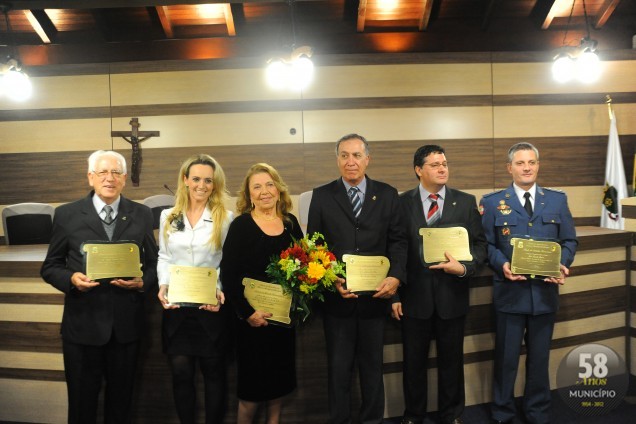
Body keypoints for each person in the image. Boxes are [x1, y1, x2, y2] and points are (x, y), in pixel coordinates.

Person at [40, 150, 158, 424]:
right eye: (102, 172)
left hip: (125, 328)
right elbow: (51, 266)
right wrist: (71, 280)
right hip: (82, 328)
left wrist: (143, 283)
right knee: (81, 406)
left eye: (116, 172)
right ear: (90, 177)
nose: (109, 178)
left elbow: (153, 264)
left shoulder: (141, 214)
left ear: (125, 178)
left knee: (121, 405)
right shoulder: (66, 214)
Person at [306, 133, 407, 424]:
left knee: (373, 370)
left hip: (376, 299)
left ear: (367, 159)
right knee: (339, 371)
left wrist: (396, 278)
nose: (351, 162)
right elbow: (315, 246)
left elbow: (399, 242)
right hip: (338, 301)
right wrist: (330, 279)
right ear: (337, 160)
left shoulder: (387, 194)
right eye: (344, 156)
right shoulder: (322, 196)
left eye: (357, 155)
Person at [479, 142, 577, 424]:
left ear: (538, 165)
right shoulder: (492, 202)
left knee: (539, 360)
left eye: (531, 162)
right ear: (510, 168)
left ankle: (537, 412)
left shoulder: (556, 200)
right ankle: (502, 413)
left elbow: (569, 240)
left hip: (544, 296)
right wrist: (502, 265)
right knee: (506, 360)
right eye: (520, 163)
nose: (526, 168)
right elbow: (485, 245)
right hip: (509, 294)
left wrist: (563, 263)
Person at [391, 145, 487, 424]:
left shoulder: (466, 201)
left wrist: (464, 268)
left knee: (451, 364)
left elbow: (480, 246)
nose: (442, 168)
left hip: (452, 297)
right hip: (413, 299)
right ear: (418, 170)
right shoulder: (400, 202)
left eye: (444, 163)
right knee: (413, 364)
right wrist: (393, 294)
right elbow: (393, 249)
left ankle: (452, 415)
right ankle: (413, 416)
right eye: (434, 165)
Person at [220, 163, 304, 424]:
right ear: (248, 194)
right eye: (257, 186)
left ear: (279, 189)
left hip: (281, 322)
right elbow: (229, 275)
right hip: (252, 324)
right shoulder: (241, 226)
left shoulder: (291, 224)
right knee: (251, 392)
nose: (264, 191)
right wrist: (248, 314)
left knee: (278, 386)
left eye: (269, 184)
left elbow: (303, 266)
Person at [156, 154, 234, 424]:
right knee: (181, 373)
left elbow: (228, 260)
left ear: (215, 184)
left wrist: (220, 287)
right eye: (197, 179)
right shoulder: (169, 215)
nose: (202, 185)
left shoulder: (225, 218)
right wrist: (163, 284)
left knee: (214, 372)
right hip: (177, 306)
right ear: (185, 180)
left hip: (210, 306)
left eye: (208, 180)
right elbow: (164, 256)